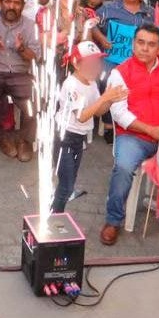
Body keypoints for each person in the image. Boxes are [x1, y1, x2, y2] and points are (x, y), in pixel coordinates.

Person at [100, 24, 159, 245]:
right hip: (134, 136)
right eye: (140, 42)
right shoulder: (120, 72)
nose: (145, 48)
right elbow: (119, 114)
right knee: (124, 167)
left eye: (151, 44)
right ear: (133, 44)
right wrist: (151, 130)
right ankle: (113, 220)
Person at [53, 42, 125, 213]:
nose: (95, 67)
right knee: (66, 184)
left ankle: (58, 206)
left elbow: (99, 111)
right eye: (90, 63)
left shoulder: (91, 83)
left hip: (78, 138)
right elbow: (82, 116)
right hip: (64, 137)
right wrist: (104, 98)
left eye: (97, 62)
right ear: (76, 64)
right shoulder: (71, 85)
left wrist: (110, 99)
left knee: (70, 180)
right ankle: (55, 215)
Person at [0, 0, 43, 161]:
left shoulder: (30, 26)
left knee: (35, 99)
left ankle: (24, 139)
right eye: (8, 1)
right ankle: (3, 136)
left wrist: (21, 48)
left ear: (23, 5)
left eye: (16, 3)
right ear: (1, 1)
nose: (11, 6)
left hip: (20, 74)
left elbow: (34, 56)